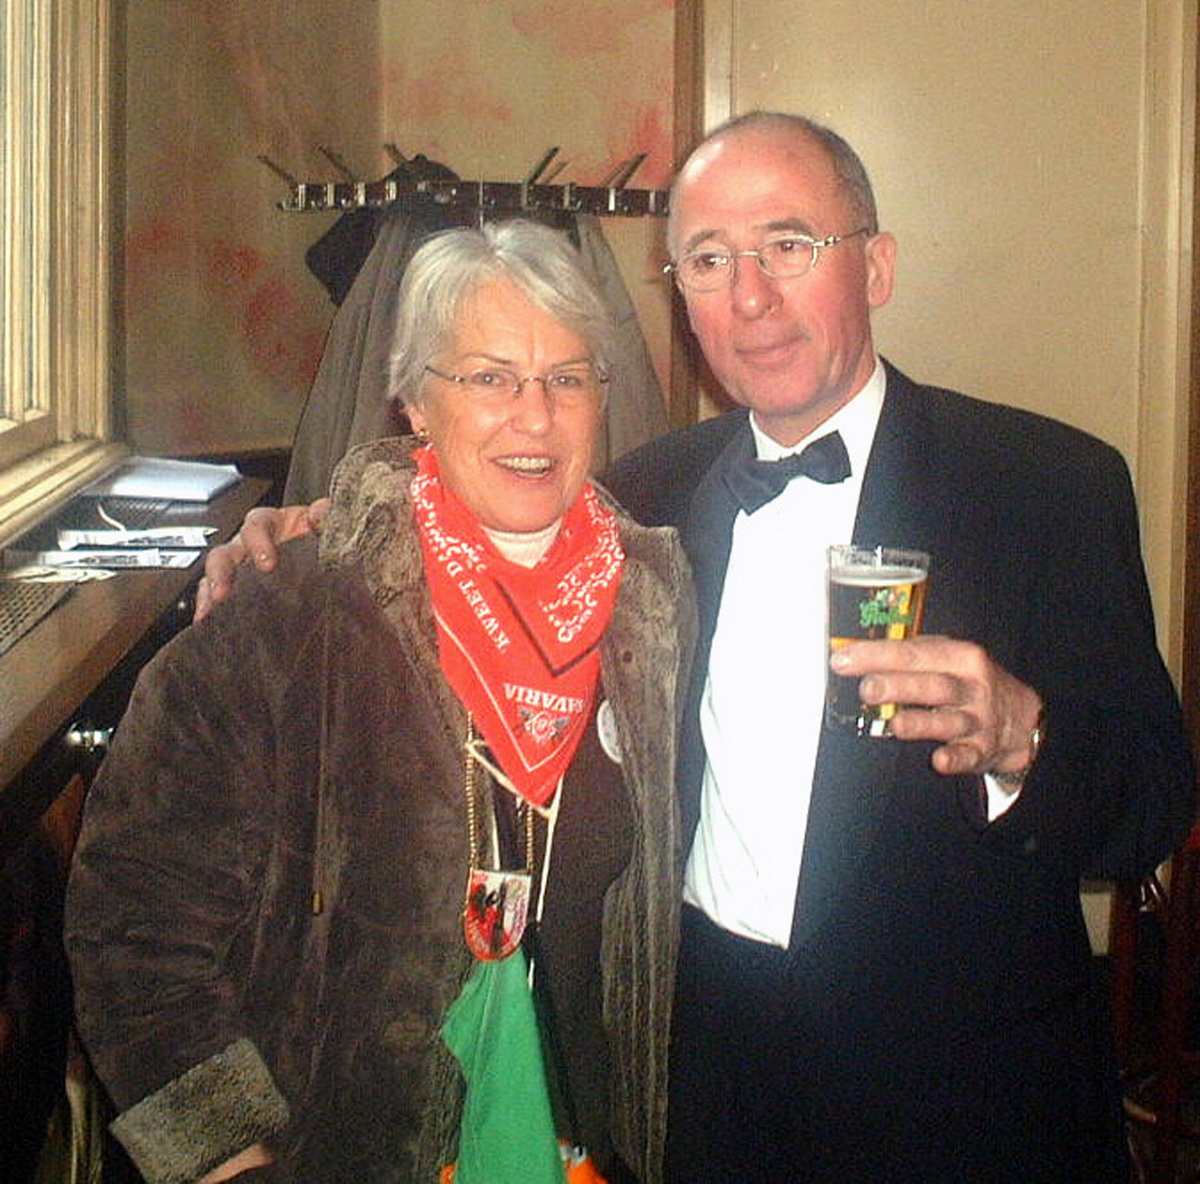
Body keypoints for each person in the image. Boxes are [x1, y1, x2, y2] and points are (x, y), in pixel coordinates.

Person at [197, 112, 1197, 1181]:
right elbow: (470, 510)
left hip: (964, 1102)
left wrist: (1023, 740)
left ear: (876, 265)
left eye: (788, 245)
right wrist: (315, 534)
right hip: (702, 1089)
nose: (749, 296)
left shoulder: (1045, 485)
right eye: (710, 261)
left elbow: (1149, 806)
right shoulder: (643, 498)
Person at [65, 220, 695, 1184]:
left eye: (567, 379)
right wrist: (228, 1158)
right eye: (489, 378)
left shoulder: (656, 605)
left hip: (579, 1145)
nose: (535, 416)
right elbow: (133, 920)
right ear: (414, 401)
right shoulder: (291, 616)